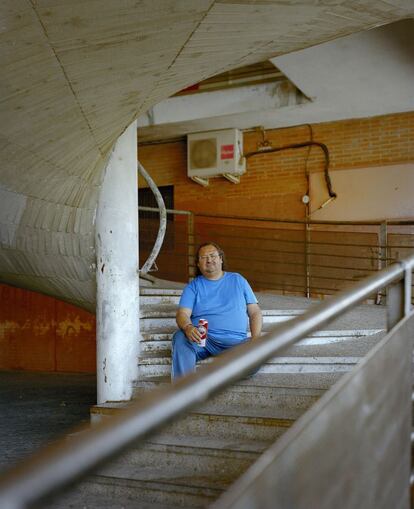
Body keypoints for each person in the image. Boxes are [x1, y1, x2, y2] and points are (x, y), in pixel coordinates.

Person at [171, 242, 262, 379]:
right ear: (198, 264)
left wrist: (255, 340)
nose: (209, 260)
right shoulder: (193, 286)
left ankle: (223, 373)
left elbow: (255, 312)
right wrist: (188, 327)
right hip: (203, 340)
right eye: (204, 257)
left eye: (213, 255)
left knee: (257, 355)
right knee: (180, 337)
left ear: (220, 259)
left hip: (236, 342)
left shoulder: (238, 280)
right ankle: (184, 392)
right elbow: (182, 314)